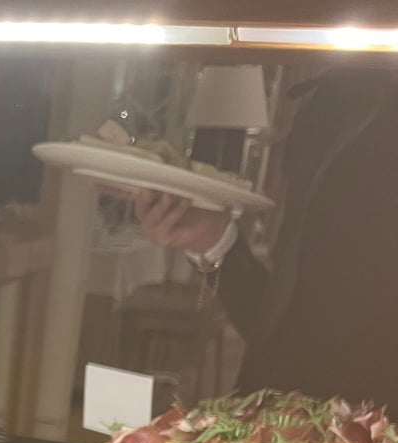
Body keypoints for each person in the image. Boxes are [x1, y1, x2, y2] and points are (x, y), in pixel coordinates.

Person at [134, 66, 398, 409]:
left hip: (366, 432)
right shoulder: (335, 101)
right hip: (277, 421)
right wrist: (215, 241)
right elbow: (284, 325)